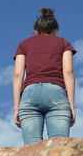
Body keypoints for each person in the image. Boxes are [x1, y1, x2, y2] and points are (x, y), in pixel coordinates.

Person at [12, 8, 77, 145]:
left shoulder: (24, 45)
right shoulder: (63, 43)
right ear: (55, 31)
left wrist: (17, 107)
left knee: (32, 149)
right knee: (58, 148)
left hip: (29, 94)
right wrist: (71, 105)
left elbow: (18, 75)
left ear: (36, 31)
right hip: (56, 94)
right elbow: (68, 72)